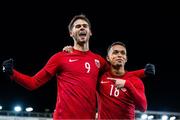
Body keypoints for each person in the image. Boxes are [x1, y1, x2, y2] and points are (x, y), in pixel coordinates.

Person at [2, 14, 152, 119]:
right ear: (71, 32)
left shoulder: (98, 61)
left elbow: (119, 73)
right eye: (77, 26)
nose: (82, 28)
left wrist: (143, 73)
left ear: (90, 32)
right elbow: (33, 83)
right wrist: (12, 73)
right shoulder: (60, 57)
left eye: (85, 26)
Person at [97, 41, 152, 119]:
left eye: (123, 53)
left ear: (126, 59)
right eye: (115, 52)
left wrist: (127, 85)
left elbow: (143, 108)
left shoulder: (135, 81)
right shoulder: (101, 78)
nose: (119, 55)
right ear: (108, 58)